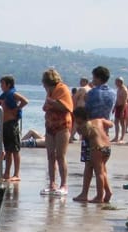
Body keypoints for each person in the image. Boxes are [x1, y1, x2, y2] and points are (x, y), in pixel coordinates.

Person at [75, 66, 116, 202]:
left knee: (89, 165)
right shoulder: (112, 93)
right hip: (104, 132)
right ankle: (108, 192)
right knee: (101, 167)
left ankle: (86, 193)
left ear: (97, 78)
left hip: (91, 132)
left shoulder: (92, 93)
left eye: (94, 78)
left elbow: (86, 109)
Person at [40, 68, 73, 196]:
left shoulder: (62, 89)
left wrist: (53, 103)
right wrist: (50, 103)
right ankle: (52, 183)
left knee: (60, 155)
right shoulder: (49, 91)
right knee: (50, 155)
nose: (43, 85)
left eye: (43, 83)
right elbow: (45, 106)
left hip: (62, 125)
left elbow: (67, 107)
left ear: (47, 81)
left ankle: (64, 184)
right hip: (50, 125)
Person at [72, 107, 113, 204]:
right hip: (107, 148)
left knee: (98, 172)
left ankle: (99, 196)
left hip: (96, 149)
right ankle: (108, 192)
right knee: (102, 171)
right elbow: (111, 124)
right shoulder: (99, 120)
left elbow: (81, 133)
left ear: (79, 118)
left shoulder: (82, 126)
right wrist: (105, 122)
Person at [0, 75, 28, 182]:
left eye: (2, 84)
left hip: (12, 124)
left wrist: (17, 109)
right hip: (4, 124)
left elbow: (25, 101)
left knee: (15, 150)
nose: (1, 86)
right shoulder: (4, 95)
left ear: (8, 84)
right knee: (8, 150)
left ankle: (16, 174)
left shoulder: (13, 93)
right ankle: (7, 173)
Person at [113, 77, 127, 143]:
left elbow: (124, 101)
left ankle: (122, 137)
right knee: (116, 122)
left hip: (122, 107)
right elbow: (117, 99)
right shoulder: (118, 89)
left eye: (116, 82)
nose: (115, 83)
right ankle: (116, 137)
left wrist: (122, 111)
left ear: (120, 82)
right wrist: (114, 108)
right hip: (118, 107)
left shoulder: (124, 90)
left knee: (122, 123)